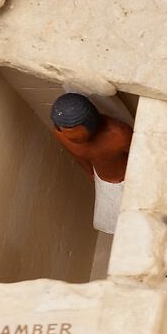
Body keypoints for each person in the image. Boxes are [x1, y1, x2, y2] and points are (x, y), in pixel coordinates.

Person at [50, 93, 134, 234]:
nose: (72, 139)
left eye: (76, 136)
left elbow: (140, 156)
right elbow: (78, 156)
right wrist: (90, 173)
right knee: (110, 221)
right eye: (68, 135)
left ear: (91, 124)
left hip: (130, 178)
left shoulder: (118, 135)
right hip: (103, 182)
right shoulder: (61, 135)